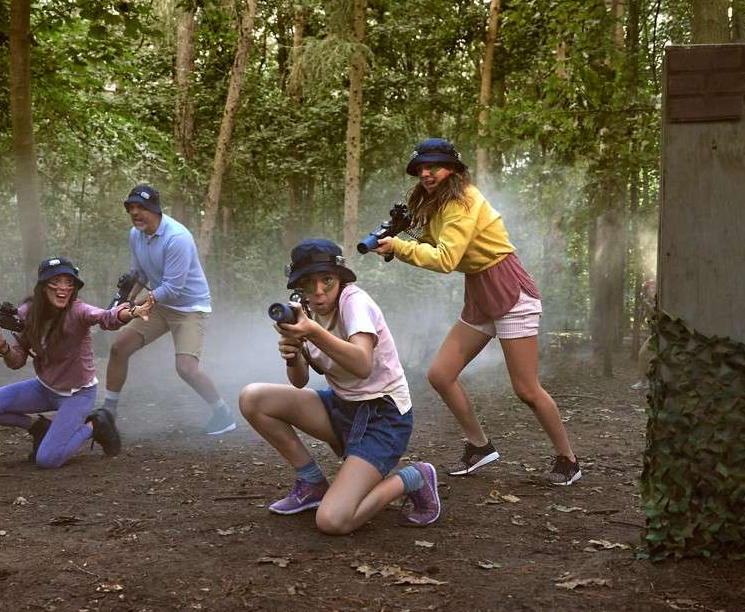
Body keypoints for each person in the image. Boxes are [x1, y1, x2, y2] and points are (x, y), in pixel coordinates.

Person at [374, 138, 582, 486]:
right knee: (440, 374)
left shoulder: (464, 202)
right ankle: (479, 445)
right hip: (481, 293)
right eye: (421, 168)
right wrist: (396, 241)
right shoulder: (438, 203)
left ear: (452, 168)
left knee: (526, 389)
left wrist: (399, 246)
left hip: (509, 291)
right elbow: (433, 244)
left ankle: (568, 459)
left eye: (434, 166)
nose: (426, 173)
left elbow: (445, 259)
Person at [239, 238, 440, 534]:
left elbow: (361, 364)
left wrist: (313, 333)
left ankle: (414, 477)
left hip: (382, 417)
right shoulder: (305, 314)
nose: (319, 292)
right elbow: (299, 382)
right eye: (309, 284)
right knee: (252, 398)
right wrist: (292, 353)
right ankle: (311, 483)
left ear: (340, 279)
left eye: (327, 281)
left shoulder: (354, 302)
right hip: (342, 407)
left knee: (333, 520)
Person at [0, 256, 156, 468]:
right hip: (44, 388)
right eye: (55, 282)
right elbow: (17, 361)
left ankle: (96, 424)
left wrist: (131, 312)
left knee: (47, 459)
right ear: (42, 287)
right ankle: (39, 427)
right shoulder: (28, 313)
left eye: (69, 283)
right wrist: (2, 346)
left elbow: (106, 317)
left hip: (78, 394)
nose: (63, 288)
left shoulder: (78, 311)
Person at [102, 184, 236, 435]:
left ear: (155, 209)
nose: (135, 213)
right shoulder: (136, 235)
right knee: (119, 348)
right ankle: (108, 411)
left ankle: (223, 413)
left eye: (141, 207)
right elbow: (139, 273)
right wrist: (123, 302)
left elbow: (173, 288)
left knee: (185, 368)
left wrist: (134, 309)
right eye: (131, 208)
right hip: (160, 302)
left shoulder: (177, 238)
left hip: (189, 307)